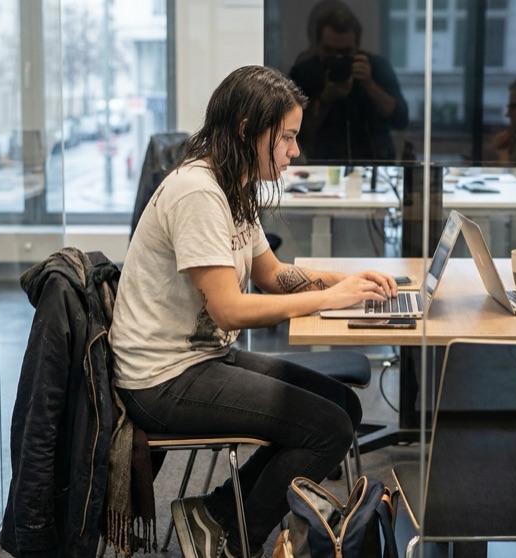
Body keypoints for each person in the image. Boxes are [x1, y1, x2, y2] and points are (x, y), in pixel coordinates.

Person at [108, 65, 398, 558]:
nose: (294, 151)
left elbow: (272, 274)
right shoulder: (198, 192)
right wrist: (329, 299)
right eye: (286, 137)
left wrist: (347, 282)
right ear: (247, 131)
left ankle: (215, 513)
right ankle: (231, 535)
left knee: (344, 409)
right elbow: (228, 310)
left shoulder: (233, 184)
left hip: (201, 360)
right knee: (327, 428)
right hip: (161, 379)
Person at [288, 2, 408, 162]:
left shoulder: (375, 67)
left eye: (344, 52)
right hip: (321, 164)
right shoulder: (304, 72)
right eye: (328, 50)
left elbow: (400, 119)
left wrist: (369, 84)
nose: (337, 58)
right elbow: (297, 130)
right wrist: (325, 99)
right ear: (317, 46)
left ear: (357, 48)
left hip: (374, 163)